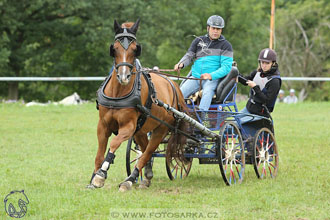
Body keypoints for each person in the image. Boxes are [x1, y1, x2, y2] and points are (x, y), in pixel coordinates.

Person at [174, 15, 233, 111]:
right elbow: (189, 55)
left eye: (218, 29)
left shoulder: (226, 46)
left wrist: (210, 75)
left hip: (211, 80)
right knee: (179, 94)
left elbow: (226, 67)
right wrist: (181, 63)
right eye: (213, 28)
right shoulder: (198, 40)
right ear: (208, 28)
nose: (216, 31)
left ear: (221, 30)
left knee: (207, 93)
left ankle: (202, 119)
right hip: (195, 77)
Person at [238, 48, 281, 124]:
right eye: (262, 62)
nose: (264, 66)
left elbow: (267, 100)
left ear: (273, 63)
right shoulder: (257, 73)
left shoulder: (275, 81)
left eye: (267, 63)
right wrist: (236, 74)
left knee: (235, 125)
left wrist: (255, 87)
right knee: (231, 123)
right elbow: (245, 81)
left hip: (260, 113)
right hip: (249, 108)